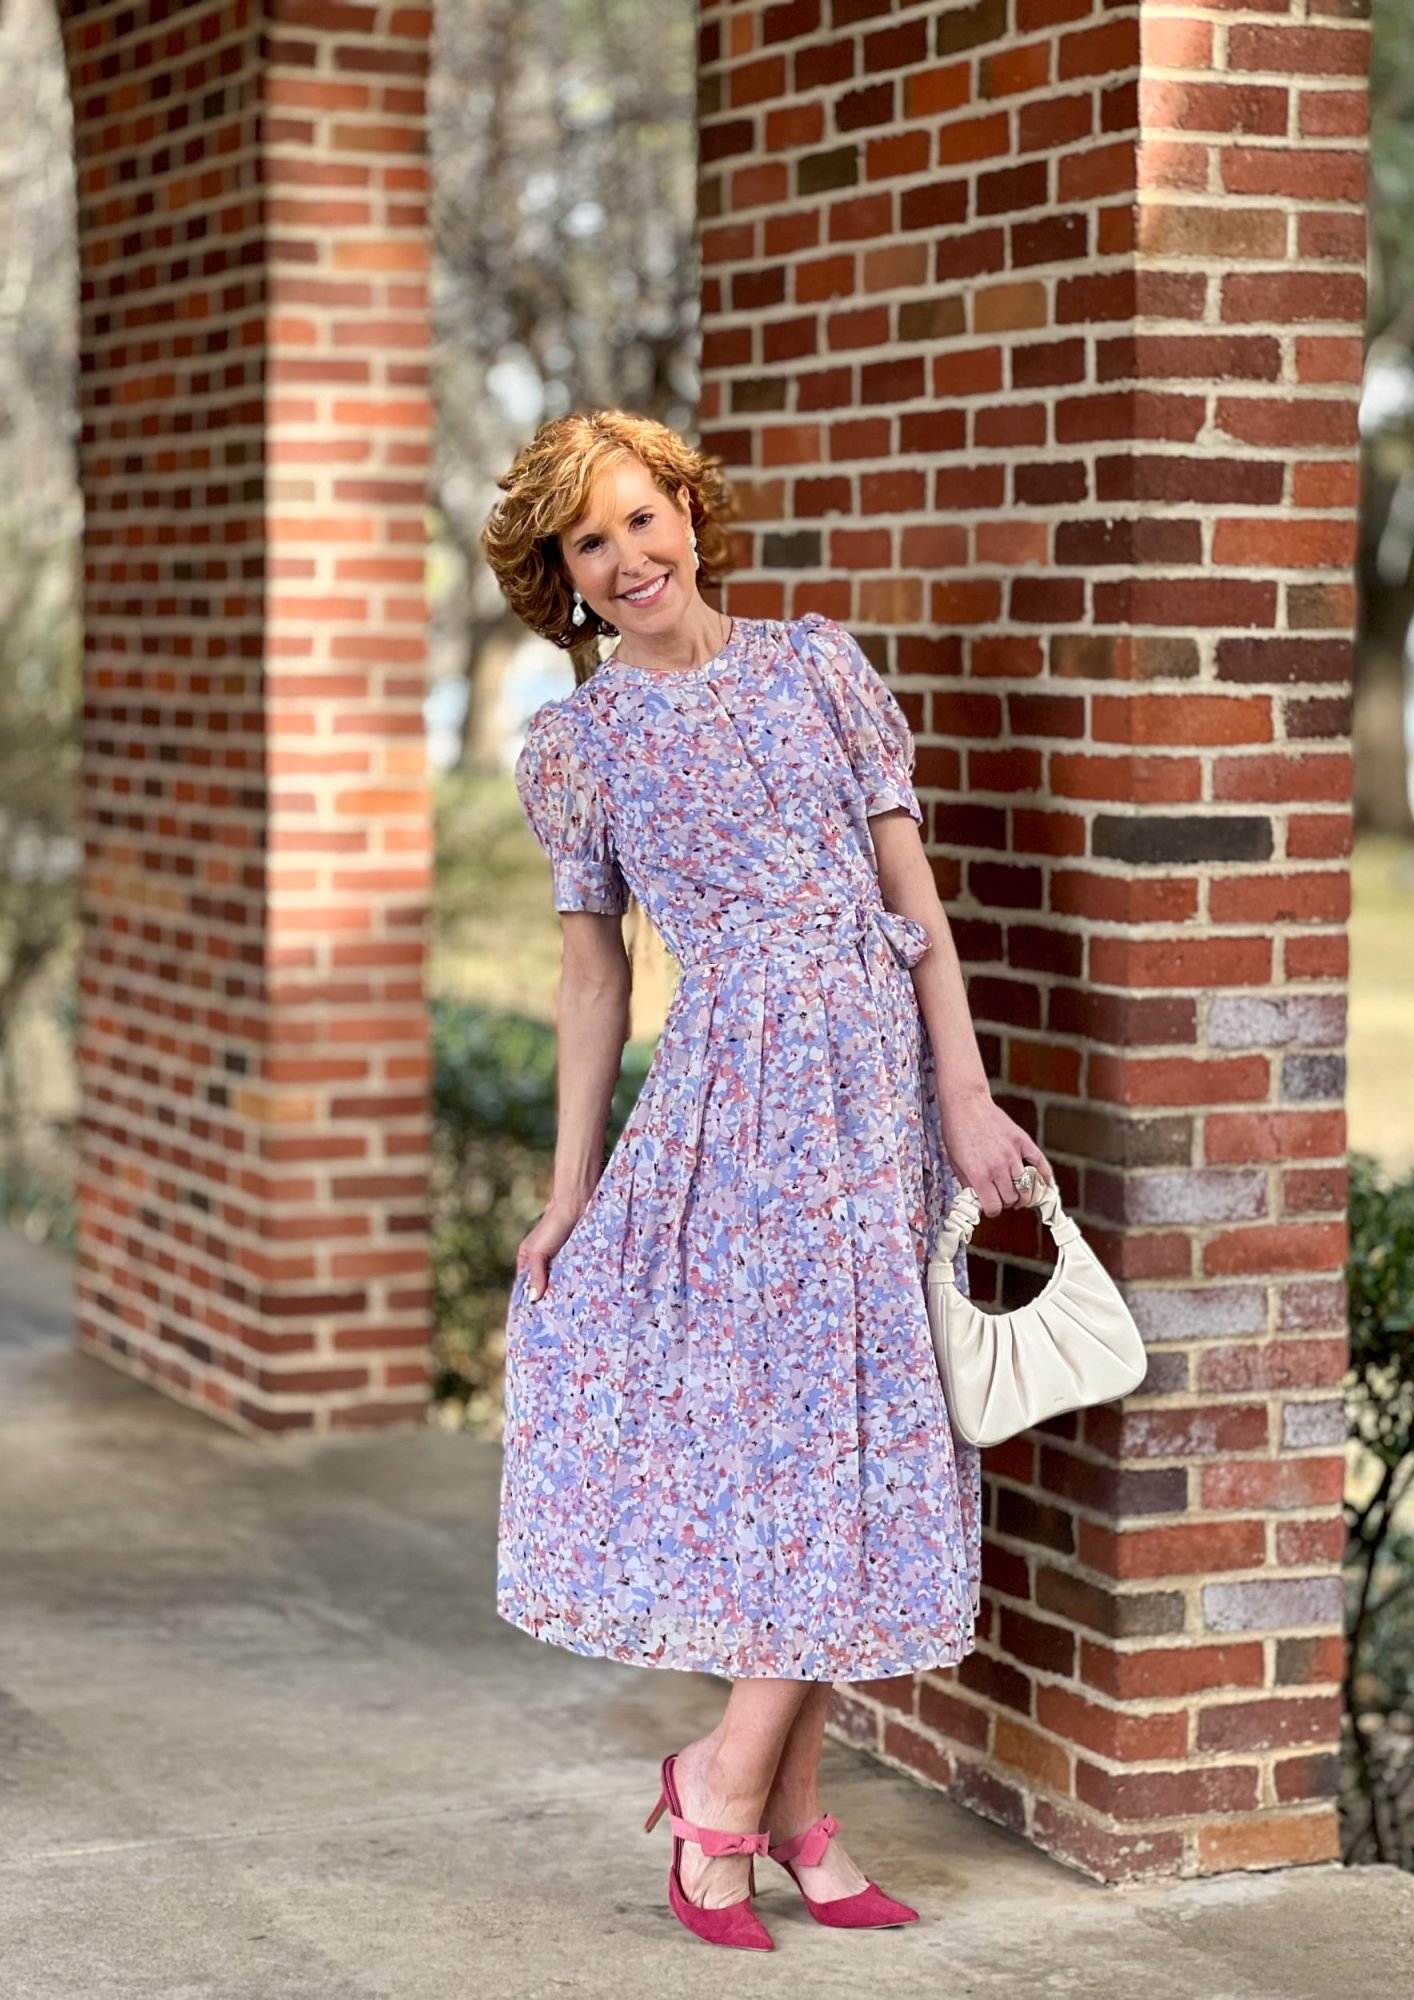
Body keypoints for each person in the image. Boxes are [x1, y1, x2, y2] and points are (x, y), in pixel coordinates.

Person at [479, 409, 1053, 1952]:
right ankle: (748, 1805)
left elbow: (911, 904)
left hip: (872, 1104)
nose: (627, 557)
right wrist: (568, 1188)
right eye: (587, 544)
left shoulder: (817, 669)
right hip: (733, 1117)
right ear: (562, 580)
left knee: (848, 1440)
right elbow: (594, 986)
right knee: (790, 1459)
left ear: (689, 511)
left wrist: (967, 1098)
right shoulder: (581, 746)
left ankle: (750, 1802)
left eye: (641, 518)